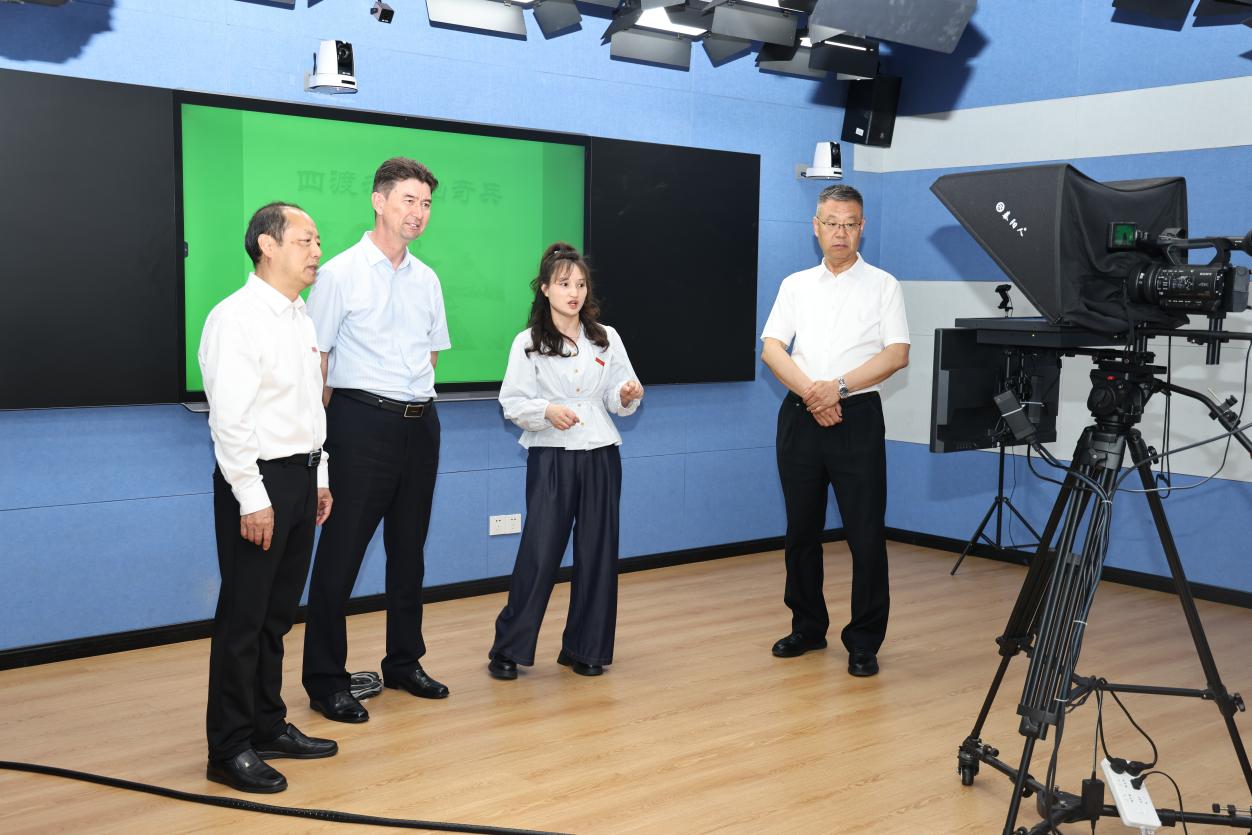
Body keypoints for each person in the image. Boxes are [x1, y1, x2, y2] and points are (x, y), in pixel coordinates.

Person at [302, 157, 452, 723]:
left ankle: (404, 661)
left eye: (426, 204)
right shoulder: (338, 273)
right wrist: (321, 447)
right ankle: (325, 680)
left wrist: (414, 407)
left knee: (409, 552)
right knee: (341, 555)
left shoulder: (428, 278)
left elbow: (430, 356)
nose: (419, 213)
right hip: (360, 424)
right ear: (379, 201)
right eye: (409, 200)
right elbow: (317, 363)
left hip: (420, 424)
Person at [199, 202, 337, 793]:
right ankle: (228, 747)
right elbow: (230, 421)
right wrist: (252, 498)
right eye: (306, 240)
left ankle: (267, 724)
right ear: (267, 245)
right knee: (244, 619)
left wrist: (320, 475)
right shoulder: (235, 319)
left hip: (300, 479)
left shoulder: (300, 316)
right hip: (257, 483)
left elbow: (310, 408)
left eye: (318, 241)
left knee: (277, 616)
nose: (317, 251)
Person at [760, 184, 910, 678]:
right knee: (800, 531)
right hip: (800, 415)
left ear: (862, 227)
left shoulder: (884, 285)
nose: (840, 232)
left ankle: (864, 641)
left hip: (857, 416)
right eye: (831, 223)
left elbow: (897, 354)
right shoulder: (795, 284)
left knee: (865, 534)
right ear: (816, 226)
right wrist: (813, 394)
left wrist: (837, 389)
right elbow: (772, 348)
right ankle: (807, 627)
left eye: (849, 224)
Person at [487, 243, 644, 680]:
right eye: (563, 284)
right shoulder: (528, 343)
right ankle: (508, 649)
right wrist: (546, 412)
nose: (573, 292)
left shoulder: (606, 337)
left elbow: (618, 395)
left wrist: (627, 394)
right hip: (552, 454)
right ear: (545, 289)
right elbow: (512, 402)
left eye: (580, 284)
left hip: (600, 452)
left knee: (598, 551)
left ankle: (586, 649)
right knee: (540, 553)